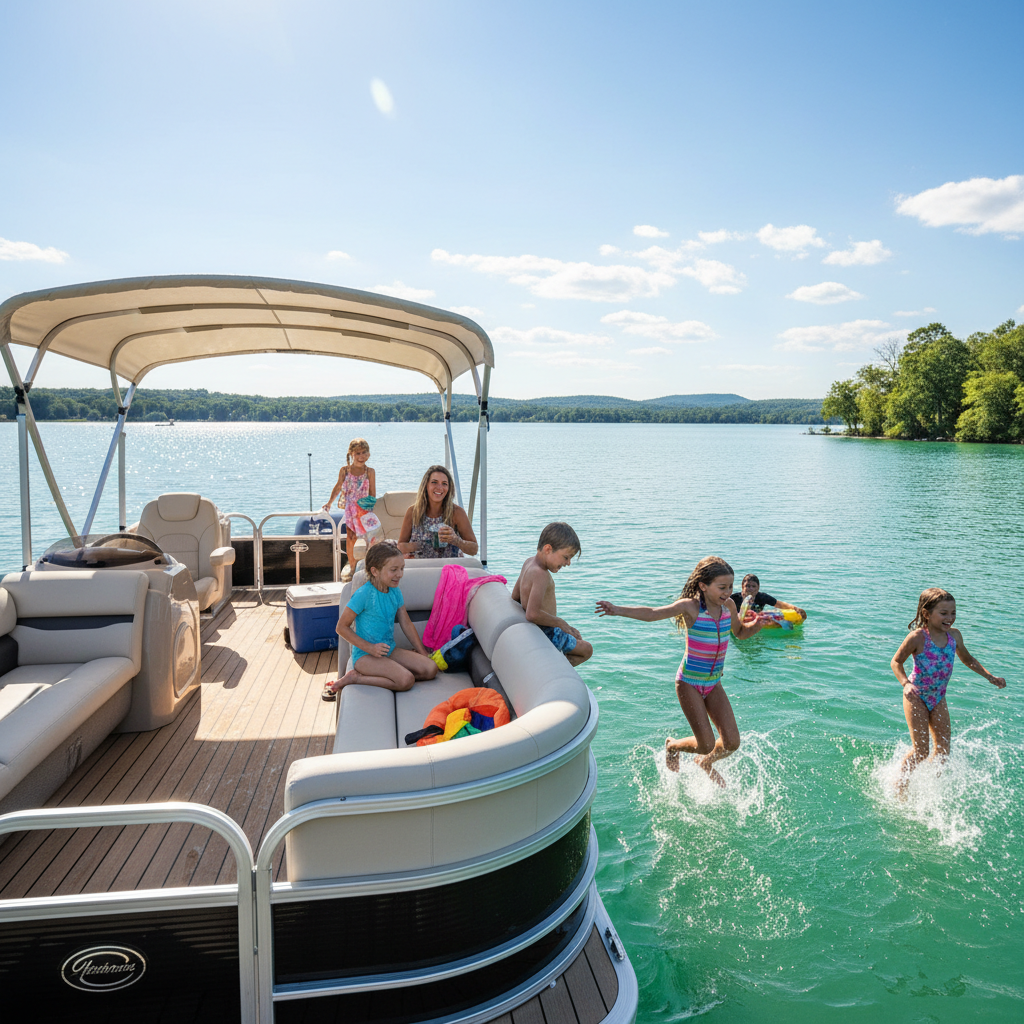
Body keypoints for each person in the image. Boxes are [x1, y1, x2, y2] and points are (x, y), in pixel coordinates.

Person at [596, 556, 766, 787]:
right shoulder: (690, 607)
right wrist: (617, 610)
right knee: (705, 743)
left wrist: (753, 628)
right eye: (722, 587)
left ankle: (705, 763)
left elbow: (739, 633)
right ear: (703, 586)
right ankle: (672, 746)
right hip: (689, 683)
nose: (728, 592)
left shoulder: (729, 607)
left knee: (732, 743)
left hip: (713, 683)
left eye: (731, 587)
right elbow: (653, 612)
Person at [890, 587, 1005, 795]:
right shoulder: (917, 638)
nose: (950, 618)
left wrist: (990, 677)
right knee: (921, 750)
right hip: (916, 696)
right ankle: (900, 789)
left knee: (943, 751)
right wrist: (906, 683)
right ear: (927, 614)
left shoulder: (955, 636)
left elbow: (968, 660)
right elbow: (896, 662)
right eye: (944, 613)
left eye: (953, 613)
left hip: (939, 697)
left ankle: (928, 788)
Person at [322, 541, 438, 701]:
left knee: (431, 669)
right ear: (375, 571)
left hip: (388, 650)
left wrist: (422, 652)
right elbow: (341, 627)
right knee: (406, 680)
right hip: (365, 656)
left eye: (402, 568)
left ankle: (394, 671)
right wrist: (370, 648)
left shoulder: (395, 592)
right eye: (394, 570)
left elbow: (406, 623)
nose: (400, 574)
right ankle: (355, 678)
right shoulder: (363, 594)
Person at [512, 522, 593, 668]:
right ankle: (556, 668)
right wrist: (561, 623)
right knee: (587, 649)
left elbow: (515, 596)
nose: (568, 563)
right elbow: (532, 614)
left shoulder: (528, 563)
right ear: (548, 549)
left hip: (540, 630)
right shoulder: (541, 574)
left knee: (575, 641)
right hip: (547, 633)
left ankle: (555, 662)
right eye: (566, 557)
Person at [323, 437, 376, 582]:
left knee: (367, 539)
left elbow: (373, 493)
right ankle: (353, 567)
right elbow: (338, 487)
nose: (361, 456)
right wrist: (329, 503)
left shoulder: (370, 471)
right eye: (358, 453)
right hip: (350, 509)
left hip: (364, 508)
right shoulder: (345, 471)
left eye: (364, 453)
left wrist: (368, 511)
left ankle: (368, 566)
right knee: (351, 538)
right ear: (351, 454)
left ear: (368, 454)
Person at [397, 464, 478, 559]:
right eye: (434, 482)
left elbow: (474, 549)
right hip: (420, 567)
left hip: (447, 568)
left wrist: (456, 540)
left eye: (444, 483)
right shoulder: (413, 512)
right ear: (426, 485)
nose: (439, 487)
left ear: (449, 488)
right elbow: (400, 546)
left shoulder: (457, 512)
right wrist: (421, 545)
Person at [730, 573, 806, 620]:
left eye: (754, 586)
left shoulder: (762, 597)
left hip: (755, 620)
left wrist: (796, 609)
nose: (751, 589)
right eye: (748, 586)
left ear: (758, 588)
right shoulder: (734, 598)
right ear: (742, 586)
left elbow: (779, 604)